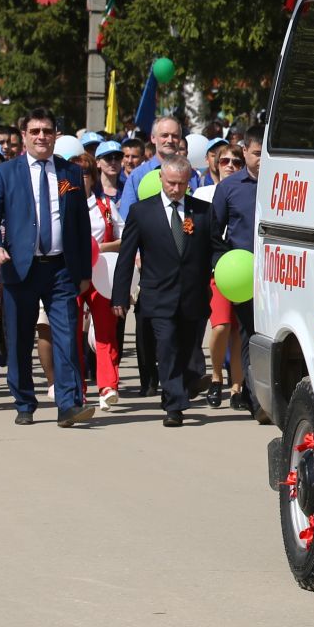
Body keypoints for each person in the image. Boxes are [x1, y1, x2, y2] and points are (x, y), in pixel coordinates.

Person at [0, 107, 95, 427]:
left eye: (47, 131)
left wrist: (84, 271)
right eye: (35, 132)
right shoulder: (7, 173)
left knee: (66, 337)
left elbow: (81, 224)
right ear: (24, 137)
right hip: (20, 268)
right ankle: (24, 402)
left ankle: (69, 404)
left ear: (56, 135)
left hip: (61, 269)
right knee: (18, 338)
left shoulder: (69, 173)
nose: (41, 137)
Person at [114, 158, 213, 427]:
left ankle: (179, 387)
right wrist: (120, 296)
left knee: (187, 350)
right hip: (158, 295)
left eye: (182, 184)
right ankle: (174, 405)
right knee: (166, 347)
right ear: (161, 179)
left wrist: (218, 270)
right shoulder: (141, 211)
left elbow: (214, 248)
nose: (176, 189)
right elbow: (126, 256)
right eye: (171, 183)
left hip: (193, 295)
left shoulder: (203, 211)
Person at [209, 127, 262, 413]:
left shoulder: (281, 183)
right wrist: (220, 264)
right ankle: (252, 397)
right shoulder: (228, 188)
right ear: (245, 152)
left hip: (276, 273)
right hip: (241, 274)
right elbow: (215, 232)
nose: (262, 159)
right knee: (247, 334)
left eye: (267, 153)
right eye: (256, 153)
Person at [83, 150, 125, 411]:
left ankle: (108, 385)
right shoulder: (61, 207)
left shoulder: (105, 206)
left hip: (101, 275)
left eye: (85, 174)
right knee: (73, 333)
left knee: (105, 330)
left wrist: (101, 247)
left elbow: (125, 238)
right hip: (71, 275)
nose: (81, 179)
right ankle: (77, 389)